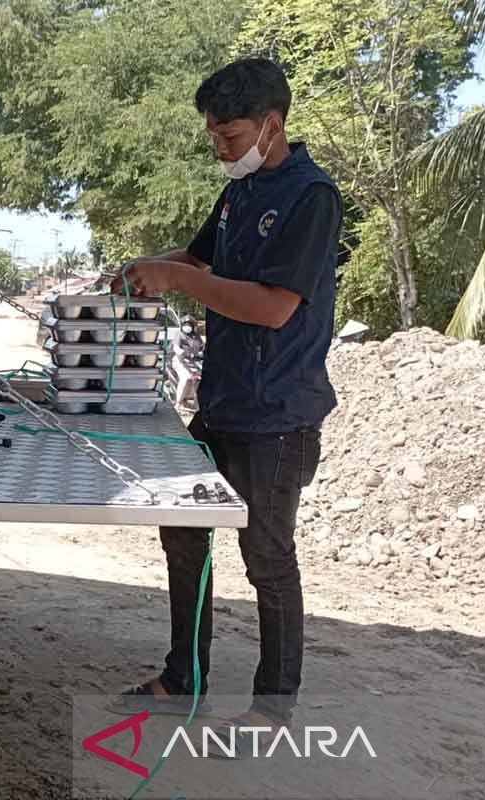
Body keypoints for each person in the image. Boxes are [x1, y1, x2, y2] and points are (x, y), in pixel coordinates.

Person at [108, 58, 342, 741]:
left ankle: (273, 712)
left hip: (278, 415)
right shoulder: (239, 194)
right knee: (184, 534)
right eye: (213, 136)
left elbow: (272, 308)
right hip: (221, 402)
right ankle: (185, 678)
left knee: (268, 560)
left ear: (273, 125)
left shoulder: (311, 197)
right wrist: (148, 266)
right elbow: (199, 258)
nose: (221, 149)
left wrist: (176, 278)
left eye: (231, 137)